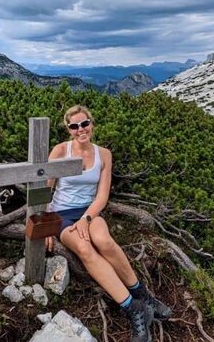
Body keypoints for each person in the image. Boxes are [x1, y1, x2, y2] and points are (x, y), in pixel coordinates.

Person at [45, 105, 172, 342]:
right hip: (61, 214)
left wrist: (86, 219)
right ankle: (134, 309)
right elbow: (45, 188)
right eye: (74, 126)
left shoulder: (103, 154)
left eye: (85, 124)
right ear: (68, 129)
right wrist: (45, 226)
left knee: (103, 240)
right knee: (84, 249)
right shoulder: (61, 150)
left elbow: (102, 196)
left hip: (89, 211)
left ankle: (142, 295)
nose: (81, 129)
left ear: (91, 124)